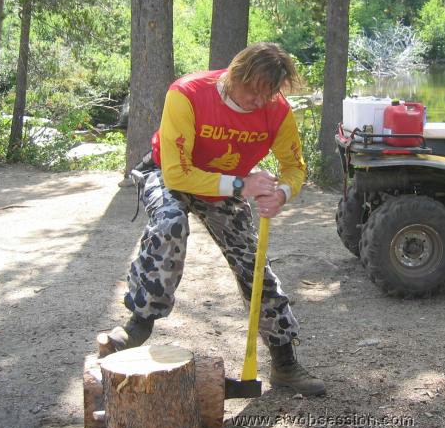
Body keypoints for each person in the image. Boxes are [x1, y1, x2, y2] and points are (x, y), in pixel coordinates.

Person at [105, 42, 325, 396]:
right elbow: (177, 175)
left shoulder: (276, 110)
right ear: (236, 74)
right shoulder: (187, 94)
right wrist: (242, 184)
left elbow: (294, 167)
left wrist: (281, 192)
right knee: (170, 223)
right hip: (169, 173)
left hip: (226, 188)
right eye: (252, 90)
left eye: (267, 94)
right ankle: (140, 321)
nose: (258, 101)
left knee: (253, 264)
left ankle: (284, 361)